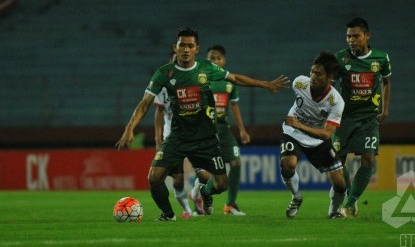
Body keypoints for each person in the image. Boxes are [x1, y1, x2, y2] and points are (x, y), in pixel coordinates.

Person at [116, 27, 289, 221]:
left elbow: (235, 78)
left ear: (197, 48)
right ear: (175, 47)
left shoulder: (206, 68)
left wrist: (265, 84)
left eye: (190, 46)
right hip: (178, 138)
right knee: (154, 178)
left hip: (205, 139)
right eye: (182, 45)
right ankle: (168, 214)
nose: (186, 49)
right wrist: (129, 128)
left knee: (221, 184)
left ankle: (205, 193)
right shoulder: (164, 73)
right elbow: (145, 103)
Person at [332, 17, 392, 217]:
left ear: (367, 36)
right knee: (337, 161)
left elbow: (386, 82)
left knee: (368, 159)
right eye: (348, 36)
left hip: (368, 118)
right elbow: (330, 85)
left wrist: (385, 110)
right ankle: (350, 192)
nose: (351, 40)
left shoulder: (381, 58)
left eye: (356, 36)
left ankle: (349, 204)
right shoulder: (341, 58)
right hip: (344, 117)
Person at [280, 51, 347, 219]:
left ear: (330, 77)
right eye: (311, 71)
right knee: (287, 164)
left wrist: (299, 124)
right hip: (292, 132)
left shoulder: (336, 102)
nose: (312, 76)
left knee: (340, 184)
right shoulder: (299, 84)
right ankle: (296, 196)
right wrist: (296, 126)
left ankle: (334, 210)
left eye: (318, 74)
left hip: (317, 139)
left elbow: (326, 134)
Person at [189, 45, 250, 216]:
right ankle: (198, 207)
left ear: (224, 60)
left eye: (218, 58)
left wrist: (243, 130)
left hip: (224, 129)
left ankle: (230, 205)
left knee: (236, 163)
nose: (215, 61)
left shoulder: (229, 82)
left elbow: (235, 106)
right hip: (205, 130)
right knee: (204, 171)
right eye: (212, 58)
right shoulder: (201, 79)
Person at [153, 50, 192, 219]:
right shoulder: (164, 84)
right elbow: (159, 111)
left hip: (193, 134)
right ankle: (186, 209)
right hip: (173, 135)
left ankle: (198, 195)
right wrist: (158, 137)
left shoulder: (193, 80)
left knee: (205, 175)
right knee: (177, 180)